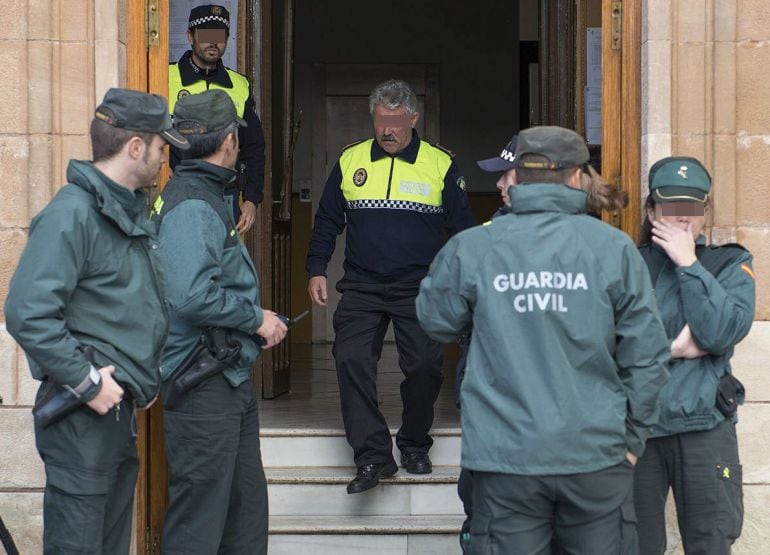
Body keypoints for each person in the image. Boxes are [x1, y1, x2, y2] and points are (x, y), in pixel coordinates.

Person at [416, 126, 670, 554]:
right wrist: (631, 442)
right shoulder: (614, 248)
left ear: (516, 176)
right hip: (595, 456)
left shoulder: (475, 247)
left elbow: (436, 320)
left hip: (506, 457)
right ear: (576, 178)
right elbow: (648, 357)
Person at [3, 88, 188, 554]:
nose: (165, 158)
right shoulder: (73, 214)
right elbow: (27, 312)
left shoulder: (124, 210)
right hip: (81, 419)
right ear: (135, 147)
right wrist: (86, 382)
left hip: (115, 418)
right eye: (161, 147)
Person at [306, 79, 476, 494]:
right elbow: (328, 218)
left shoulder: (439, 163)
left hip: (418, 287)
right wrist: (316, 268)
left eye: (396, 123)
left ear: (413, 118)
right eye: (381, 121)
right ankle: (372, 456)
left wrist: (455, 274)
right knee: (350, 362)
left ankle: (415, 443)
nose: (387, 131)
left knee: (424, 367)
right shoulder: (350, 160)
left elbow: (464, 229)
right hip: (362, 286)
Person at [152, 89, 286, 554]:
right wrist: (256, 318)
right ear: (229, 141)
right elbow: (190, 294)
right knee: (201, 519)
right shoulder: (192, 204)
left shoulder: (208, 194)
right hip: (201, 381)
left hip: (224, 375)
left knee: (244, 509)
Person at [634, 157, 755, 554]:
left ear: (705, 212)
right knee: (631, 545)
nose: (681, 218)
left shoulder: (729, 264)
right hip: (638, 430)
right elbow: (607, 343)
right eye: (670, 207)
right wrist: (673, 348)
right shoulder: (629, 265)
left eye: (691, 208)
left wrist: (689, 263)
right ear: (651, 210)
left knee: (710, 542)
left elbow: (720, 331)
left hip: (704, 427)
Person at [169, 4, 266, 233]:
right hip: (179, 191)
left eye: (220, 36)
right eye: (206, 35)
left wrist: (251, 199)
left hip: (226, 195)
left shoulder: (239, 85)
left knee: (224, 263)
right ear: (190, 36)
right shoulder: (165, 77)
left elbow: (254, 147)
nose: (214, 42)